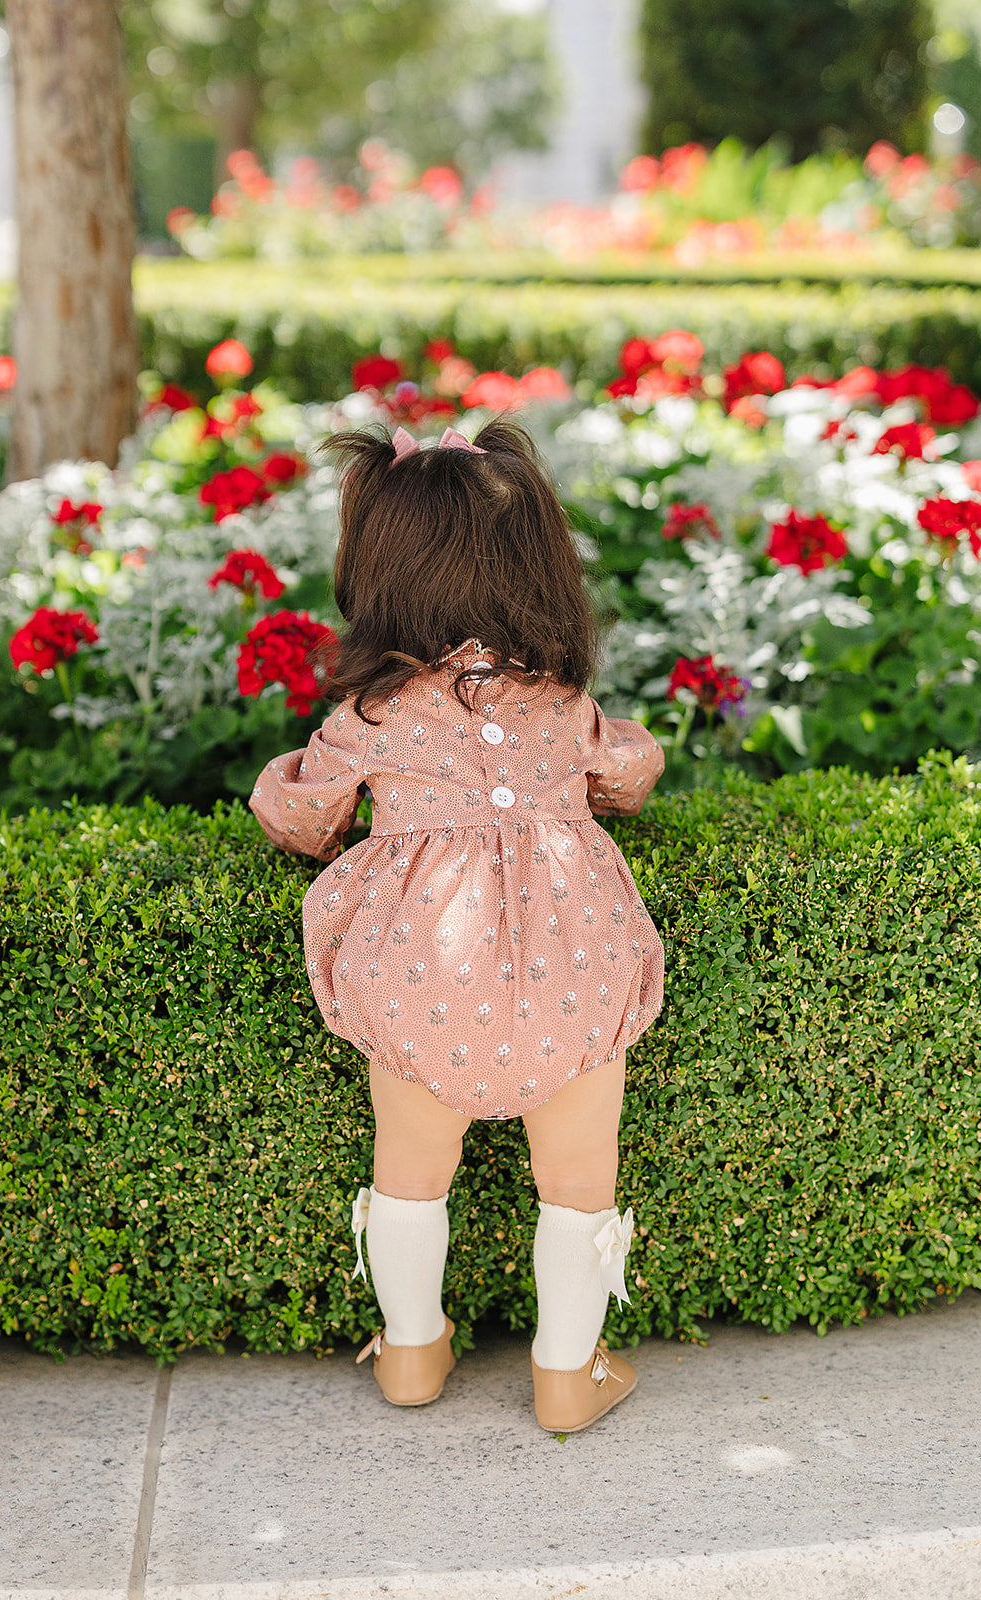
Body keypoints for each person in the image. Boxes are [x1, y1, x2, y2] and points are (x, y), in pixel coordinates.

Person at [249, 418, 665, 1434]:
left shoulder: (375, 717)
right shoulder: (561, 703)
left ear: (379, 572)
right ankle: (567, 1373)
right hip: (572, 965)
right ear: (537, 568)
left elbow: (299, 813)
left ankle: (410, 1351)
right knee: (574, 1180)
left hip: (417, 976)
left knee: (408, 1171)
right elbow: (630, 772)